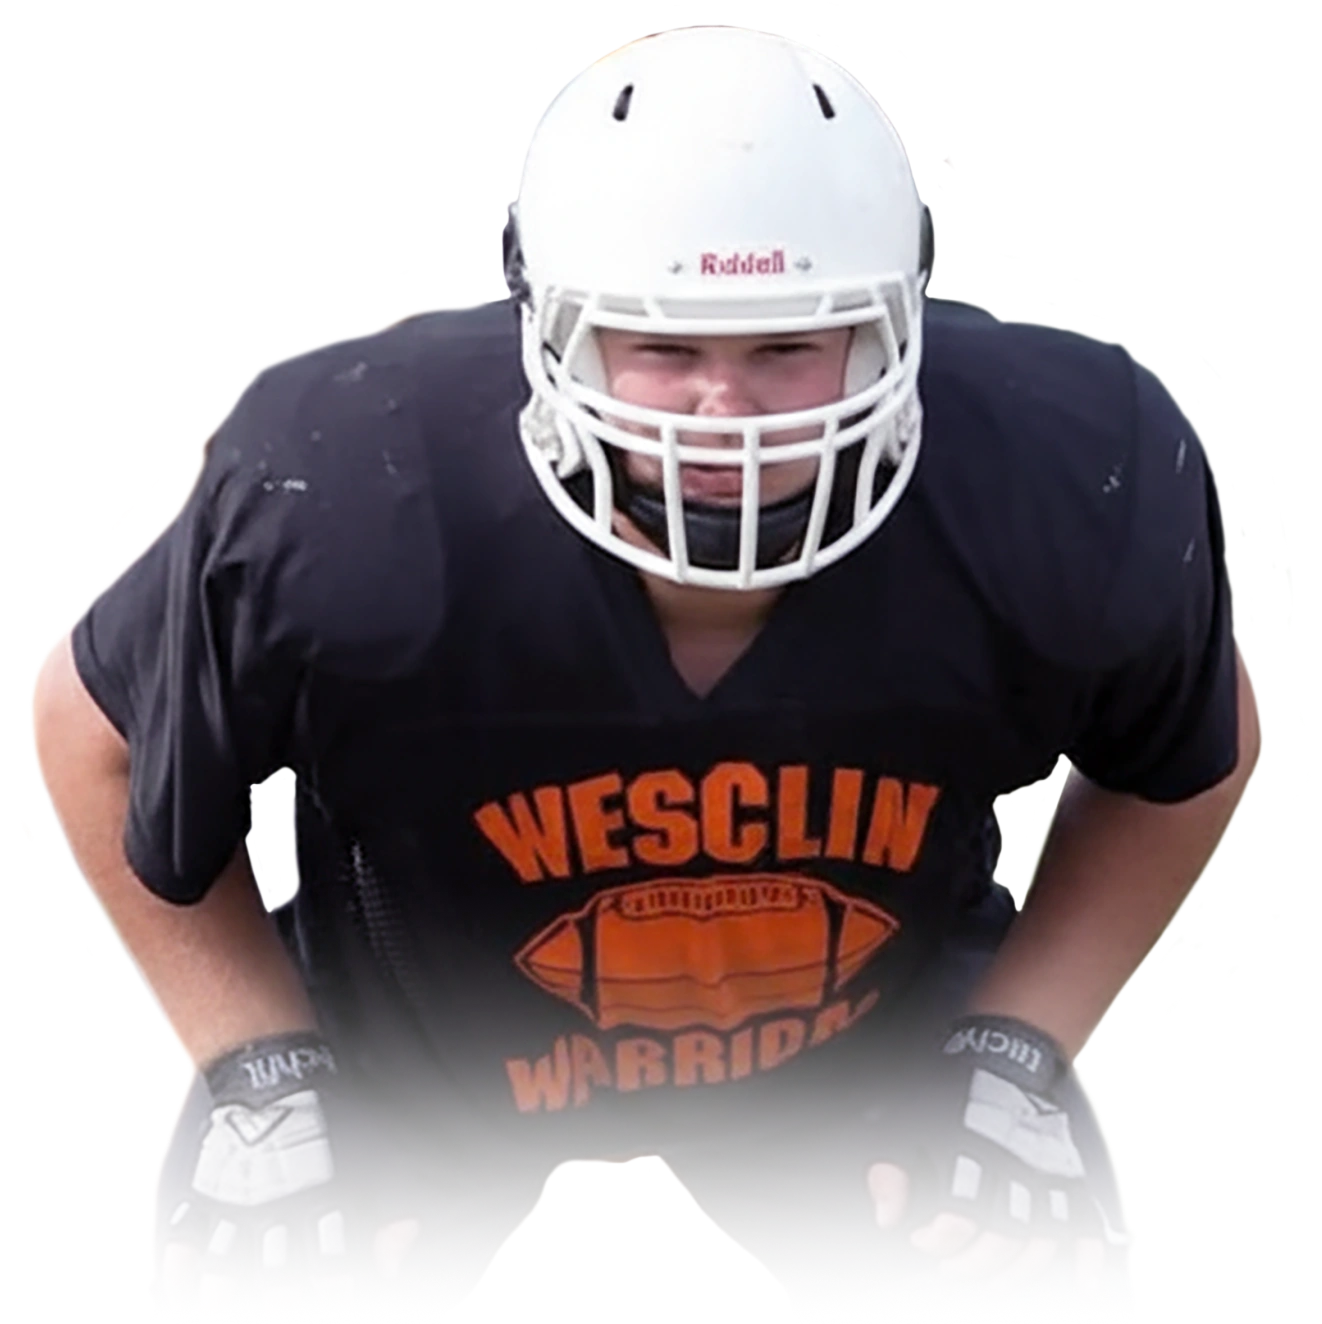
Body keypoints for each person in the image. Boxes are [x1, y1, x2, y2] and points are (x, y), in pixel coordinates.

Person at [32, 25, 1258, 1317]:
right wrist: (259, 1066)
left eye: (789, 345)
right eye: (662, 347)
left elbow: (1186, 744)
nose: (721, 413)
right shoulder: (348, 489)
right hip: (412, 1051)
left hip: (868, 1048)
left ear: (892, 322)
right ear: (548, 326)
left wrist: (1015, 1044)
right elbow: (89, 721)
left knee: (1031, 1295)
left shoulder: (1063, 473)